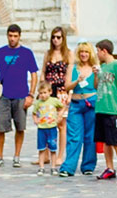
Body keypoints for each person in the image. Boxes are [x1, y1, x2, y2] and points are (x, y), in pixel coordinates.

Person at [0, 24, 38, 168]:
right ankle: (0, 156)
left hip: (21, 95)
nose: (12, 39)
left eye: (15, 36)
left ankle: (16, 157)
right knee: (0, 128)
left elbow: (34, 75)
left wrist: (31, 95)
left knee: (20, 127)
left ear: (19, 36)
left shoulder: (27, 53)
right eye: (10, 36)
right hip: (3, 96)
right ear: (7, 36)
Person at [60, 42, 99, 177]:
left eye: (86, 52)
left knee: (90, 136)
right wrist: (77, 81)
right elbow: (67, 87)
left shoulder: (94, 68)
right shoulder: (73, 67)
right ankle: (68, 167)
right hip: (76, 103)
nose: (84, 54)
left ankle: (88, 165)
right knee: (74, 136)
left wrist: (97, 75)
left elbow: (96, 86)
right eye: (82, 52)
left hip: (91, 103)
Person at [94, 39, 117, 181]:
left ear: (104, 51)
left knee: (116, 141)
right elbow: (96, 86)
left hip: (112, 109)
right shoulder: (103, 67)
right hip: (101, 108)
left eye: (98, 51)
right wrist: (97, 74)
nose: (97, 54)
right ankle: (109, 168)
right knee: (105, 141)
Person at [42, 27, 70, 168]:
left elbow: (71, 74)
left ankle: (60, 156)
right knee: (46, 122)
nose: (55, 39)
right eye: (53, 37)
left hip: (61, 91)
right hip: (48, 92)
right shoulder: (48, 54)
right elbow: (43, 72)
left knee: (61, 124)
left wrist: (69, 93)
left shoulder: (68, 54)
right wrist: (40, 90)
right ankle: (45, 154)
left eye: (58, 37)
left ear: (63, 38)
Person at [30, 81, 63, 176]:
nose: (43, 95)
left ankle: (53, 167)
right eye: (41, 93)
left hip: (52, 128)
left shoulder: (54, 101)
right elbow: (34, 113)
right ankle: (41, 167)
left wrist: (59, 115)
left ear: (50, 92)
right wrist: (35, 119)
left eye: (45, 93)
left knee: (53, 148)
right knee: (41, 149)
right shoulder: (38, 103)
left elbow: (62, 106)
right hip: (42, 128)